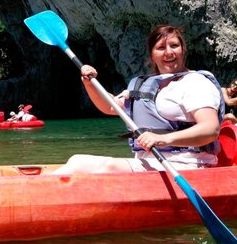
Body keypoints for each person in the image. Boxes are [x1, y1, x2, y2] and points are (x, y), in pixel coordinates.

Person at [51, 25, 224, 174]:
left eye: (174, 46)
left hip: (188, 163)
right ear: (152, 55)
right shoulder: (144, 84)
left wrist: (163, 139)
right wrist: (89, 83)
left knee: (111, 168)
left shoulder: (195, 83)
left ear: (183, 50)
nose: (169, 52)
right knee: (77, 161)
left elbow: (210, 129)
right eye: (161, 47)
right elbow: (111, 107)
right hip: (150, 162)